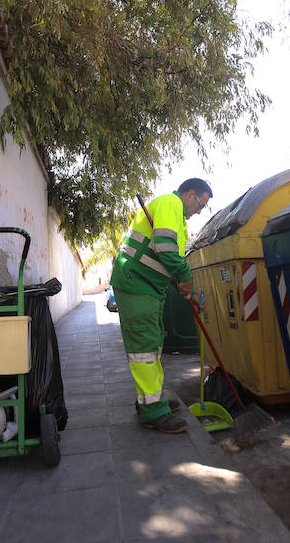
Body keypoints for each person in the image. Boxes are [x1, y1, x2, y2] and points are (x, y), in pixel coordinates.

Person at [110, 178, 213, 433]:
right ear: (190, 194)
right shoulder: (170, 203)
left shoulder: (179, 220)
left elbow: (169, 260)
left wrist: (189, 290)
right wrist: (185, 275)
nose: (200, 210)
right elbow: (165, 247)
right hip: (136, 284)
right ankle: (152, 411)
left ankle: (150, 399)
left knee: (153, 345)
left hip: (149, 287)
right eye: (201, 204)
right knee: (144, 348)